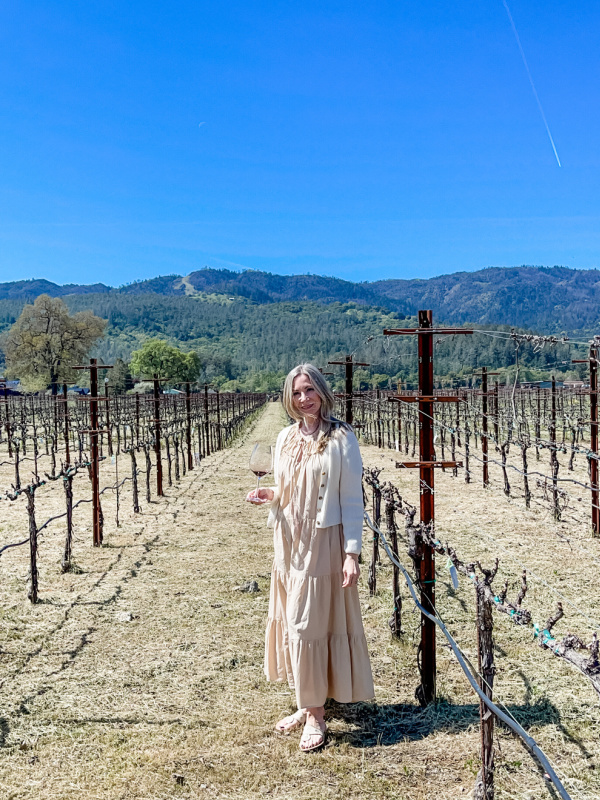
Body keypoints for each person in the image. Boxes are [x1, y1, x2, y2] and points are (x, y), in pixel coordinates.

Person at [246, 363, 374, 752]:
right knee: (294, 620)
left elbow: (352, 500)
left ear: (322, 391)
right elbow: (286, 488)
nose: (304, 398)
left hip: (323, 541)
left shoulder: (341, 437)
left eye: (310, 390)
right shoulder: (285, 437)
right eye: (297, 392)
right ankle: (308, 701)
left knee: (308, 624)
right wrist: (269, 494)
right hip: (288, 541)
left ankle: (316, 715)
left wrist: (352, 553)